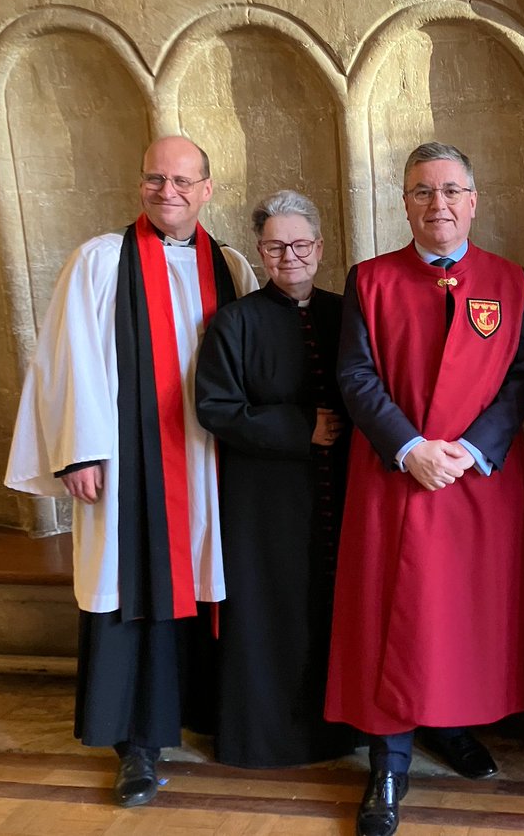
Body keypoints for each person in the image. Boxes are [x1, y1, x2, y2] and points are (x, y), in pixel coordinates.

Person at [4, 136, 259, 806]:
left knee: (210, 579)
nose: (166, 191)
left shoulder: (230, 264)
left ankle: (209, 712)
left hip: (209, 462)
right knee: (129, 580)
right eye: (154, 178)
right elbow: (66, 359)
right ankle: (136, 743)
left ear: (207, 189)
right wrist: (79, 451)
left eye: (181, 180)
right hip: (128, 464)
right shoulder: (100, 261)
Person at [324, 142, 524, 836]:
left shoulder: (509, 280)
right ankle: (387, 762)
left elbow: (521, 378)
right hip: (396, 477)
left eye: (451, 190)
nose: (438, 204)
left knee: (459, 614)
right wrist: (411, 447)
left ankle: (448, 723)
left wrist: (472, 450)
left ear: (473, 201)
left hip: (477, 482)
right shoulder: (371, 280)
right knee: (394, 615)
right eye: (422, 191)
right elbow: (355, 377)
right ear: (405, 202)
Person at [195, 190, 355, 768]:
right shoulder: (234, 322)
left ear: (319, 246)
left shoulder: (347, 311)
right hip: (264, 501)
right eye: (275, 246)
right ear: (261, 252)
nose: (290, 256)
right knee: (273, 613)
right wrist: (298, 429)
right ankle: (268, 739)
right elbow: (215, 407)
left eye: (301, 243)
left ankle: (342, 732)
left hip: (344, 490)